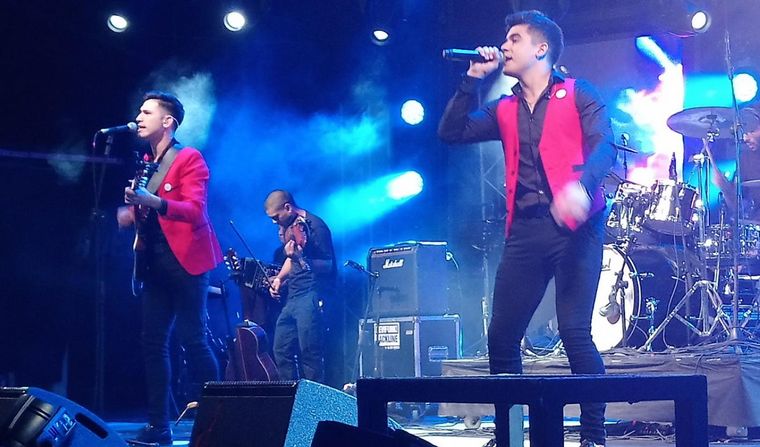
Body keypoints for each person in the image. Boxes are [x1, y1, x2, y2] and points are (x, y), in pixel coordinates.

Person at [438, 10, 617, 447]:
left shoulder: (578, 93)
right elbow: (452, 132)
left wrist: (581, 187)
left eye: (514, 38)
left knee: (574, 332)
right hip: (526, 232)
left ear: (542, 48)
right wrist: (471, 80)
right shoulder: (505, 107)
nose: (504, 45)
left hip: (578, 229)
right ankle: (510, 435)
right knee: (502, 337)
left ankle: (593, 437)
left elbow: (605, 146)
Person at [117, 91, 222, 445]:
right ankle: (159, 426)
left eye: (146, 112)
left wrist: (153, 200)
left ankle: (221, 420)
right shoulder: (147, 162)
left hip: (186, 261)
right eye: (139, 111)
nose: (138, 117)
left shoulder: (189, 158)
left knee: (194, 340)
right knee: (153, 343)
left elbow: (195, 211)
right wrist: (132, 212)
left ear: (168, 121)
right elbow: (149, 212)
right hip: (155, 263)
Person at [263, 190, 336, 382]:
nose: (275, 222)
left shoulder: (316, 226)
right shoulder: (291, 226)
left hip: (311, 293)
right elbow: (291, 258)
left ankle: (314, 399)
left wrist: (301, 259)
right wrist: (279, 279)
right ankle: (290, 394)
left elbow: (327, 265)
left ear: (288, 207)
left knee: (310, 353)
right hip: (293, 296)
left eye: (276, 217)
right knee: (281, 349)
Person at [706, 106, 760, 223]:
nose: (745, 138)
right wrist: (725, 188)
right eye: (744, 132)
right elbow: (739, 209)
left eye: (751, 131)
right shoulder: (745, 159)